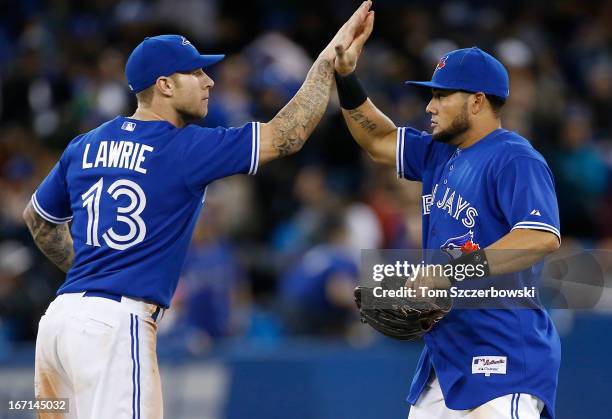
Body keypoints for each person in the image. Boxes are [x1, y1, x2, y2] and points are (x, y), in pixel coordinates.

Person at [21, 2, 374, 417]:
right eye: (195, 72)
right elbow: (286, 136)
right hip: (114, 328)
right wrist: (326, 62)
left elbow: (39, 221)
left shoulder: (85, 145)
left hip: (60, 321)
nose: (208, 80)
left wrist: (94, 274)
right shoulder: (184, 147)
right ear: (165, 85)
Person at [334, 36, 562, 419]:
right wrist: (345, 76)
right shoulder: (438, 153)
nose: (430, 106)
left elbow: (540, 237)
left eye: (442, 96)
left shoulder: (515, 157)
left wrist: (449, 269)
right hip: (445, 359)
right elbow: (376, 139)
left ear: (477, 100)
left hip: (503, 356)